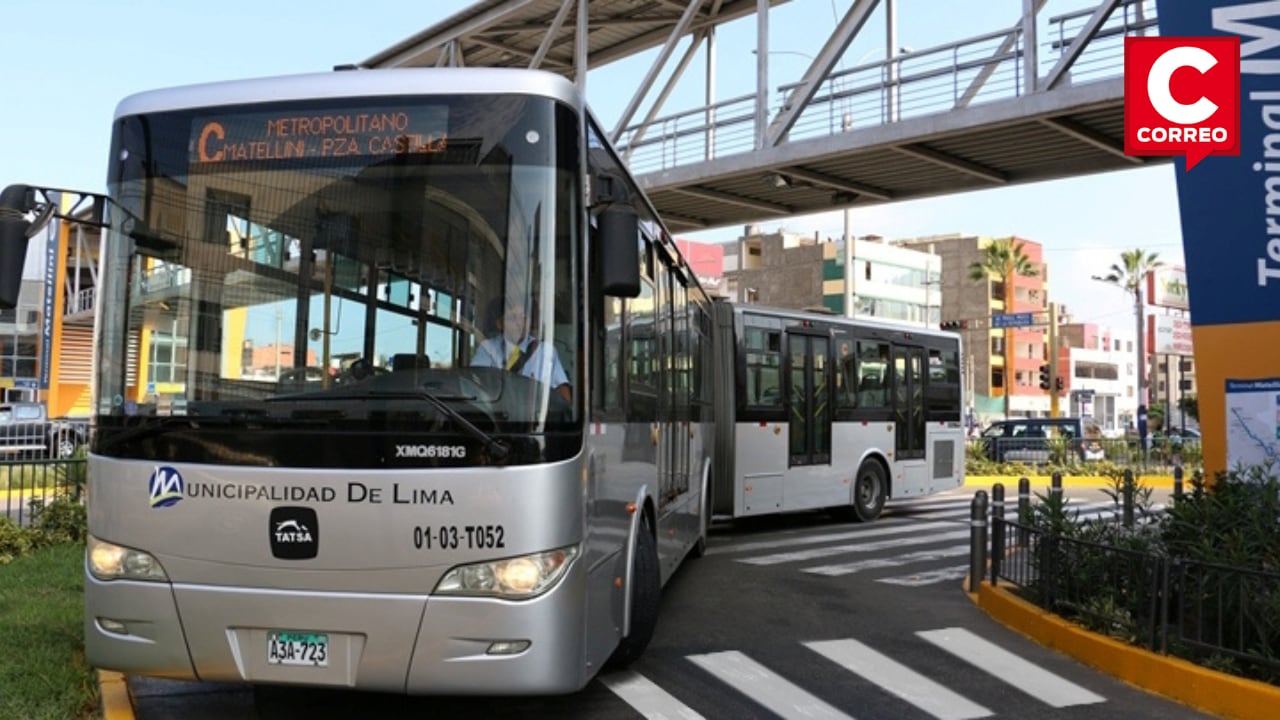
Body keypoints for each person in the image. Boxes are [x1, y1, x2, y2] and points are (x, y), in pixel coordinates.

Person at [472, 297, 571, 402]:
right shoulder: (488, 349)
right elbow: (475, 382)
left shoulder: (544, 351)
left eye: (523, 317)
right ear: (500, 324)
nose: (520, 323)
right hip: (497, 413)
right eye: (512, 318)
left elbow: (563, 391)